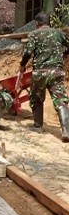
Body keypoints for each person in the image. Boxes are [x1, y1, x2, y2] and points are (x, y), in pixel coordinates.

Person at [19, 11, 69, 141]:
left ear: (37, 23)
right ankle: (66, 130)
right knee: (60, 100)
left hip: (40, 72)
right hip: (56, 72)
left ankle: (38, 126)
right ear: (49, 22)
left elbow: (28, 51)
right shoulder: (59, 33)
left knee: (36, 99)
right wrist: (64, 53)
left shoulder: (34, 34)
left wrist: (23, 64)